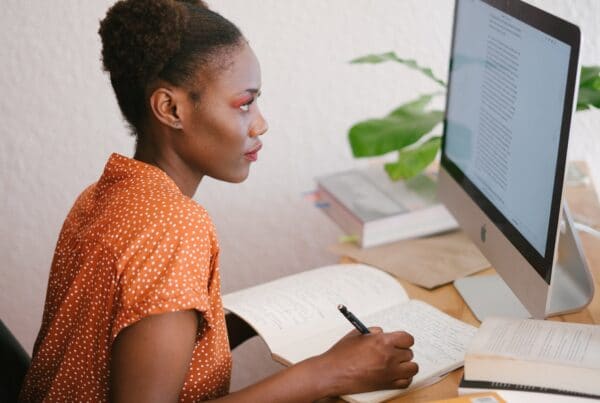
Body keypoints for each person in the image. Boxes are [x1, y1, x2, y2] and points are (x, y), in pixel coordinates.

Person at [19, 0, 419, 401]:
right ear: (170, 108)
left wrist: (240, 326)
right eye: (245, 103)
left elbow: (123, 345)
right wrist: (329, 374)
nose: (261, 123)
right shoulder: (174, 228)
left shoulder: (103, 195)